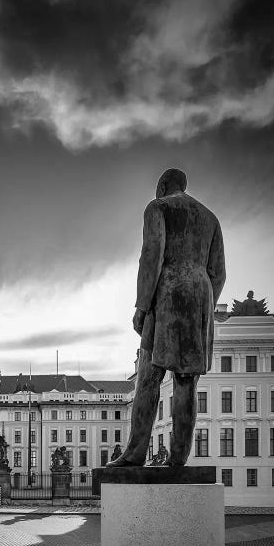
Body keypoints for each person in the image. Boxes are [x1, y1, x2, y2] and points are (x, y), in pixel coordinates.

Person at [109, 168, 225, 467]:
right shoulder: (210, 218)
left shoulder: (158, 207)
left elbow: (152, 254)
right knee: (187, 381)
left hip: (168, 293)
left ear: (162, 185)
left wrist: (142, 305)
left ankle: (134, 454)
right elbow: (218, 273)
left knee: (149, 376)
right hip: (200, 294)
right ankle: (178, 460)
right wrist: (204, 304)